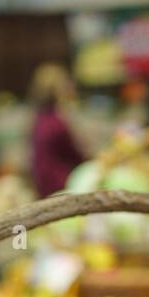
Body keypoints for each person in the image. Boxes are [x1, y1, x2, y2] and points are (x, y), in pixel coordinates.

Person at [29, 63, 84, 199]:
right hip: (58, 185)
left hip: (43, 182)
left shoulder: (40, 117)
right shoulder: (55, 122)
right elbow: (74, 154)